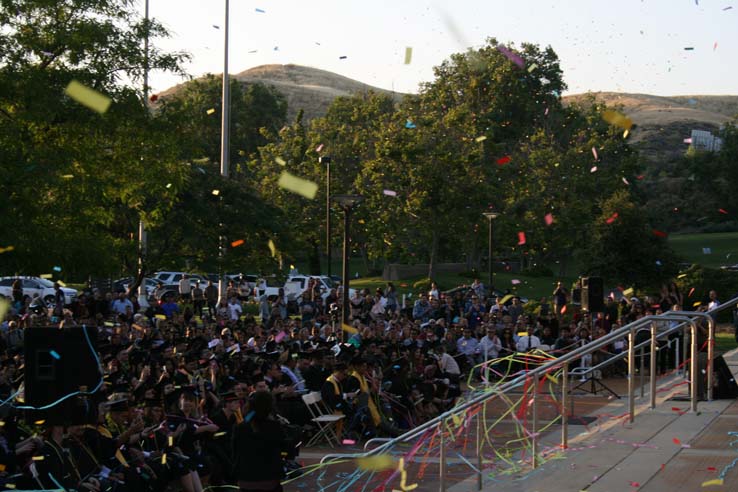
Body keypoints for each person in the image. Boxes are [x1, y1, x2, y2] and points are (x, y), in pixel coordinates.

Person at [233, 391, 286, 492]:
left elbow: (235, 451)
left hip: (245, 478)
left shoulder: (240, 427)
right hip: (269, 479)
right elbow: (284, 448)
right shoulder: (274, 426)